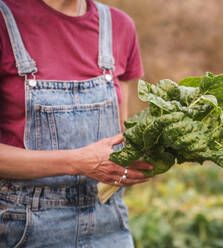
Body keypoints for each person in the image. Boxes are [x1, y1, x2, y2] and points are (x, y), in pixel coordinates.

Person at [0, 0, 154, 247]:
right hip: (27, 228)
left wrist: (159, 148)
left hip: (109, 224)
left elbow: (123, 132)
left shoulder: (119, 26)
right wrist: (78, 162)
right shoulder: (5, 21)